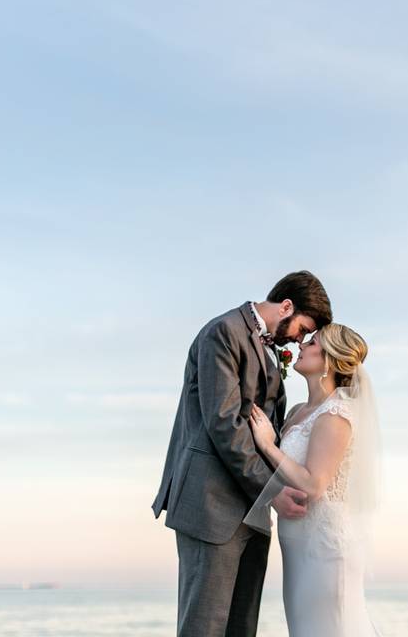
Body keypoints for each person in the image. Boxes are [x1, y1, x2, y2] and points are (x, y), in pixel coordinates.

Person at [151, 270, 333, 637]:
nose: (300, 340)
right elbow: (225, 425)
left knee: (241, 629)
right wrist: (274, 492)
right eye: (302, 328)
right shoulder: (223, 333)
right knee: (204, 628)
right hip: (211, 508)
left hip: (253, 514)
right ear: (286, 306)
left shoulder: (265, 347)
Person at [246, 323, 383, 636]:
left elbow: (314, 485)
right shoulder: (297, 411)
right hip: (295, 545)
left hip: (324, 550)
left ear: (330, 360)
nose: (302, 345)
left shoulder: (336, 414)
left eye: (313, 342)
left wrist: (268, 444)